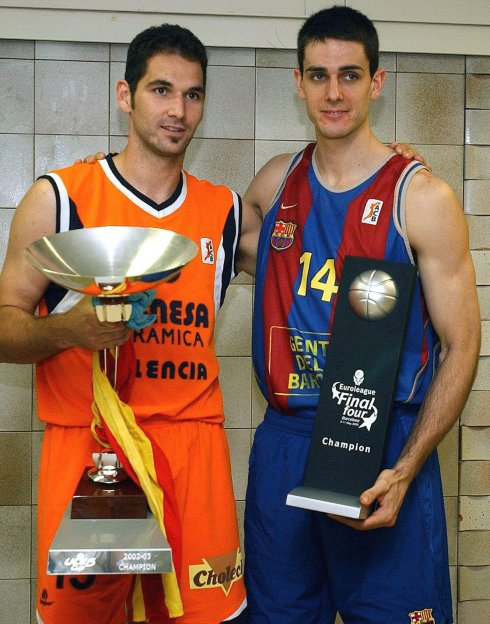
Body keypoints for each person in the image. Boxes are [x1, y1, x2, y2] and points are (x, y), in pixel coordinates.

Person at [0, 24, 261, 624]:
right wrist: (69, 330)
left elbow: (306, 231)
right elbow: (5, 326)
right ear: (126, 96)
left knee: (204, 617)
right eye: (161, 90)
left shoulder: (222, 211)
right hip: (94, 454)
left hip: (192, 453)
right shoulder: (60, 198)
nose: (178, 110)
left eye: (193, 95)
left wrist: (377, 159)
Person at [242, 5, 480, 624]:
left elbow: (462, 345)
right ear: (298, 82)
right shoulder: (273, 187)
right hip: (286, 446)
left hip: (383, 446)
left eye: (350, 75)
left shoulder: (421, 198)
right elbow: (207, 246)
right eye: (318, 75)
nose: (334, 92)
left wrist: (405, 470)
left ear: (376, 82)